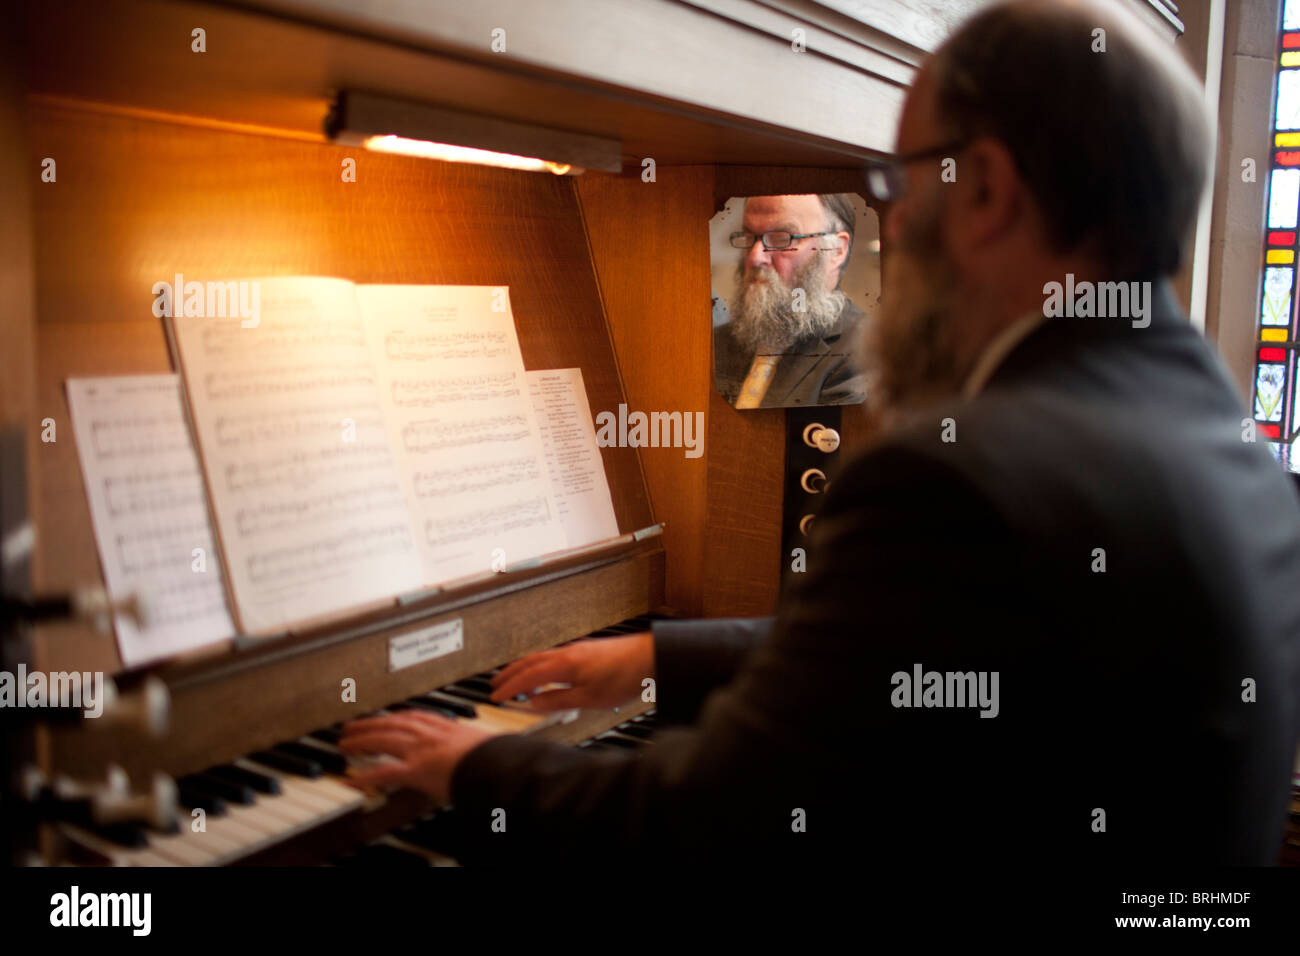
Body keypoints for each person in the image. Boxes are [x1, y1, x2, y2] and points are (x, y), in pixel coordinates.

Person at [339, 0, 1300, 866]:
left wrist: (476, 771)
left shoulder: (962, 481)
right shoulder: (1227, 445)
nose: (891, 213)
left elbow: (713, 822)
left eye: (901, 179)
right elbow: (939, 652)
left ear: (988, 191)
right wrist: (664, 657)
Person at [713, 193, 867, 408]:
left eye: (782, 238)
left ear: (836, 251)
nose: (755, 256)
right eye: (749, 237)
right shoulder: (716, 344)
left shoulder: (869, 349)